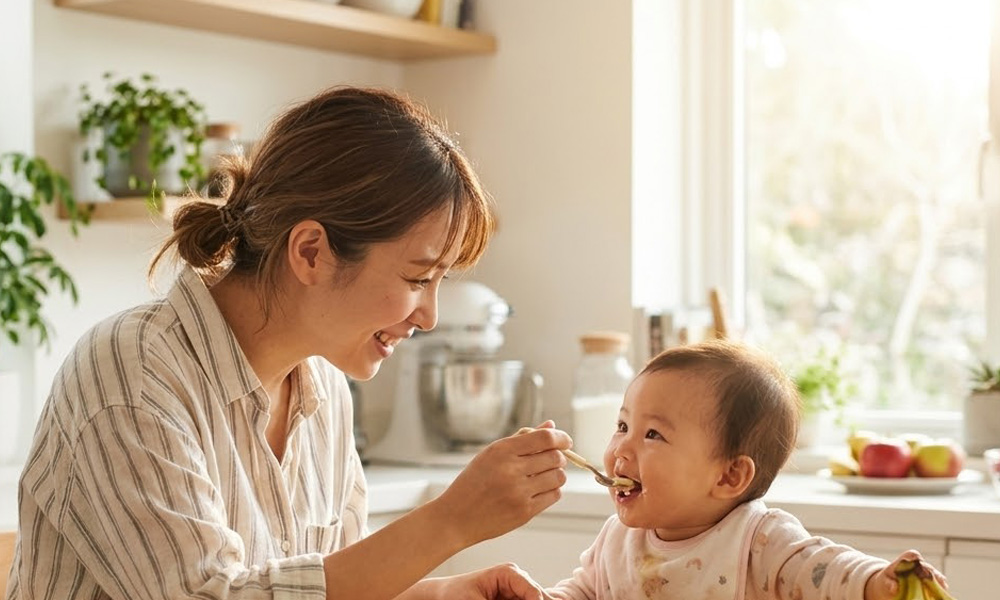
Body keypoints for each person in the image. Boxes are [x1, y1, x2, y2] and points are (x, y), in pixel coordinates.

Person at [6, 86, 572, 600]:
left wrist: (443, 594)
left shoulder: (324, 386)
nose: (429, 317)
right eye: (417, 278)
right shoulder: (133, 372)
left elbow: (322, 586)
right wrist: (449, 521)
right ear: (310, 252)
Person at [545, 340, 951, 600]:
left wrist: (875, 582)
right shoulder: (618, 538)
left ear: (728, 477)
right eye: (622, 426)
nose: (621, 449)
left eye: (652, 434)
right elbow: (585, 589)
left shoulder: (761, 541)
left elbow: (824, 569)